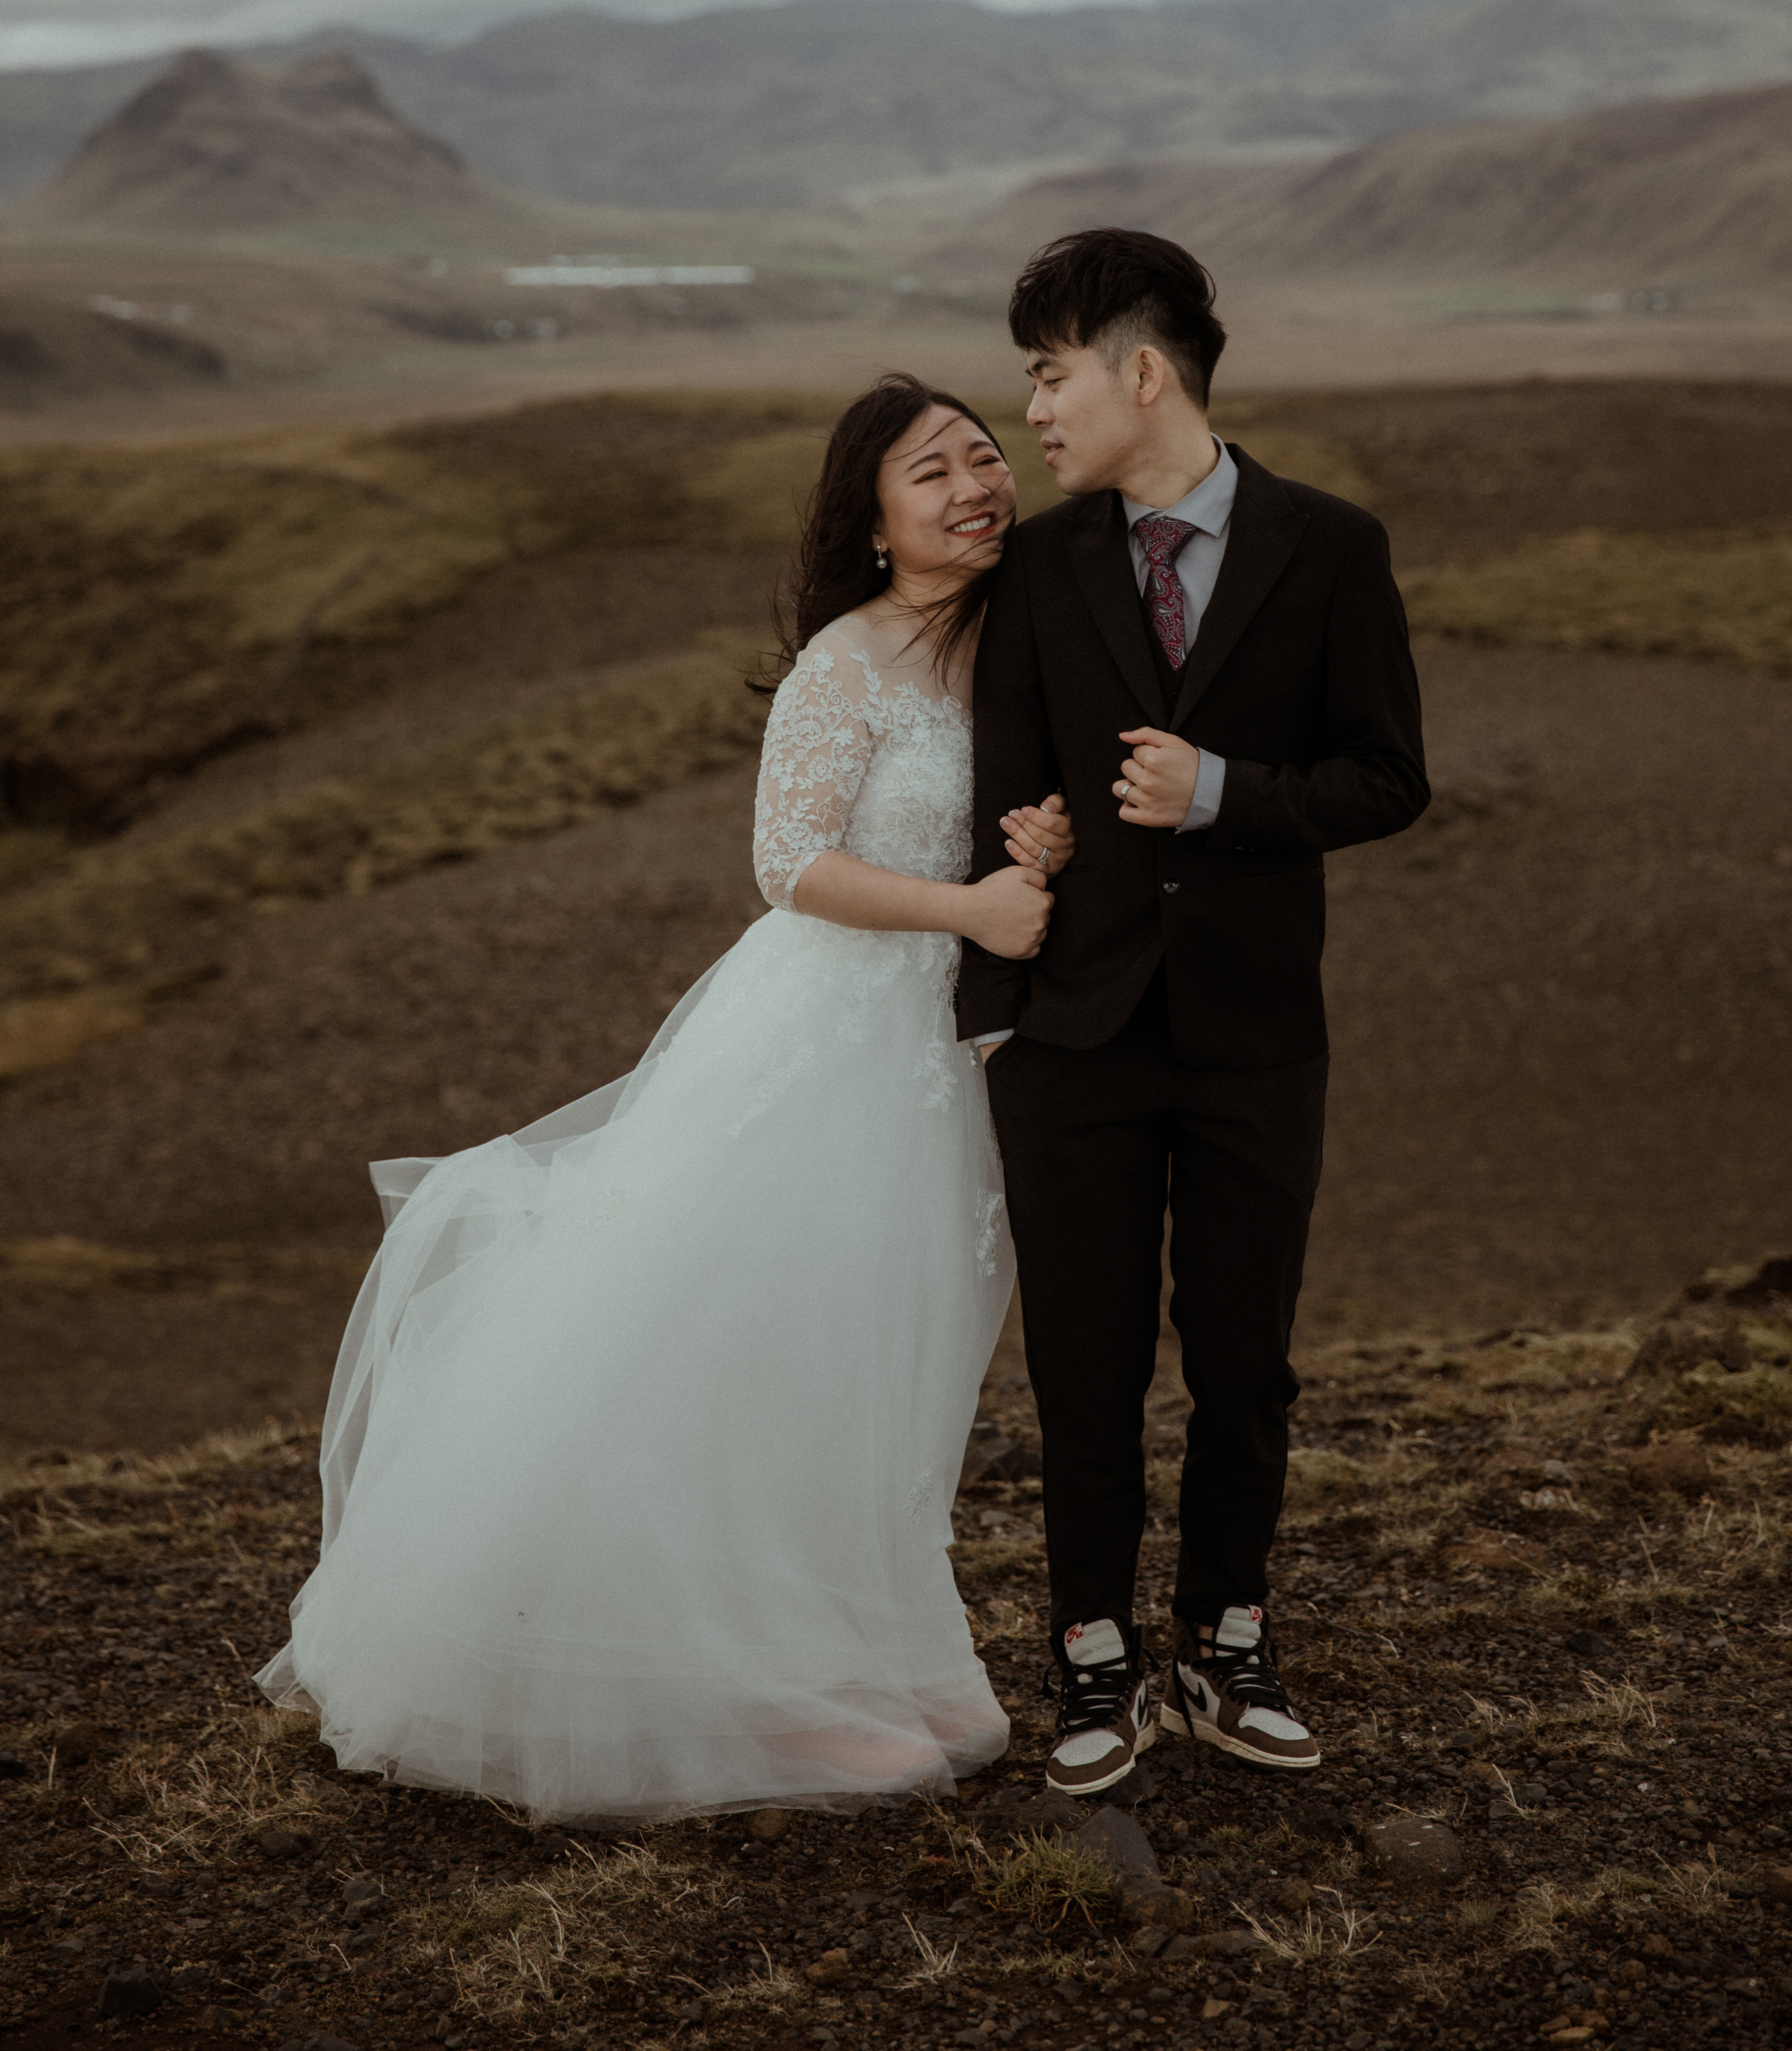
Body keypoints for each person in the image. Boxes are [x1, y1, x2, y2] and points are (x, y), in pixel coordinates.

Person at [257, 373, 1075, 1823]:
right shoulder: (850, 660)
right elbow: (788, 863)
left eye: (984, 456)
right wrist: (970, 908)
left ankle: (874, 1643)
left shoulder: (1012, 649)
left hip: (930, 1068)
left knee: (889, 1356)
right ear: (873, 521)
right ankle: (751, 1679)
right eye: (929, 472)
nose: (972, 486)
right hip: (815, 1049)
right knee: (756, 1344)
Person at [958, 229, 1429, 1798]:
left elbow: (1386, 777)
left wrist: (1220, 792)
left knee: (1242, 1363)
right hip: (1070, 1042)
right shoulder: (1032, 566)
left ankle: (1228, 1642)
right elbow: (998, 791)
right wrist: (1006, 939)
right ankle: (1091, 1657)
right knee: (1081, 1368)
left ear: (1139, 371)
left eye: (1047, 371)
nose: (1031, 408)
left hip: (1251, 1039)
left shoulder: (1330, 546)